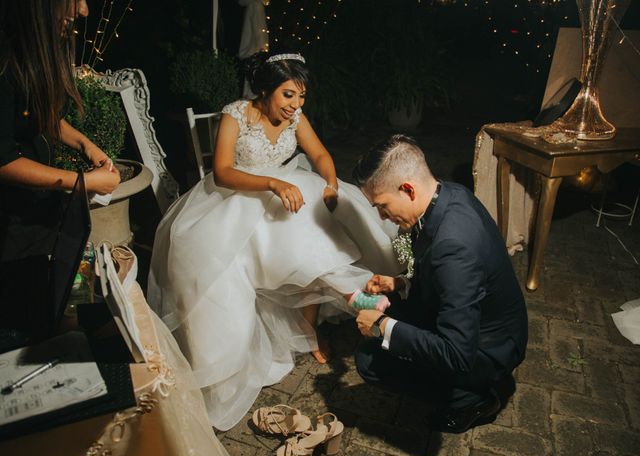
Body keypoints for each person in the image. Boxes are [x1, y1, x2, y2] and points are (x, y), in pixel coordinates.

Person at [148, 51, 400, 430]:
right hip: (237, 198)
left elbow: (319, 154)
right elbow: (221, 173)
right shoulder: (235, 114)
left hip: (287, 192)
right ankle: (350, 294)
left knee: (316, 224)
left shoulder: (295, 116)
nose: (295, 105)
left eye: (301, 97)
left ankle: (328, 314)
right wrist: (272, 182)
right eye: (287, 95)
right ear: (264, 91)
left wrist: (330, 186)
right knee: (277, 241)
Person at [352, 134, 528, 434]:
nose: (382, 216)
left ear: (407, 189)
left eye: (382, 205)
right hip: (484, 320)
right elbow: (447, 277)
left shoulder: (454, 245)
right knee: (395, 319)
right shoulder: (450, 194)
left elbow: (457, 354)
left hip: (486, 348)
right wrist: (400, 283)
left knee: (370, 361)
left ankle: (473, 399)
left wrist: (382, 326)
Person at [0, 0, 120, 339]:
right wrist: (82, 181)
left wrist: (85, 145)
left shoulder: (31, 51)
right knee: (25, 319)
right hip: (10, 223)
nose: (83, 10)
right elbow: (3, 158)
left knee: (73, 280)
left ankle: (73, 332)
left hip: (39, 208)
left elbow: (43, 116)